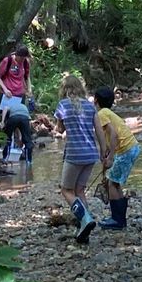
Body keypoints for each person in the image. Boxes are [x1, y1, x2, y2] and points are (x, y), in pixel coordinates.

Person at [55, 72, 104, 242]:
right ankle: (85, 224)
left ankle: (85, 219)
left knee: (66, 190)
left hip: (74, 154)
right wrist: (103, 152)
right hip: (90, 154)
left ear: (65, 89)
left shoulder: (63, 105)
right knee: (80, 190)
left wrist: (61, 126)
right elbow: (99, 131)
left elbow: (60, 130)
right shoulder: (90, 106)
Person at [93, 86, 139, 231]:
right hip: (132, 147)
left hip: (125, 150)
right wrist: (107, 156)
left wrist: (111, 157)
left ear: (95, 100)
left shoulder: (101, 114)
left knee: (112, 184)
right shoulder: (108, 112)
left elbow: (113, 134)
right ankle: (120, 220)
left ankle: (116, 220)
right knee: (116, 183)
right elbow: (109, 138)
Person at [0, 43, 33, 164]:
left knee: (20, 122)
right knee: (6, 122)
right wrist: (5, 89)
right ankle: (3, 151)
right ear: (16, 55)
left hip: (19, 96)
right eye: (20, 58)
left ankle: (19, 150)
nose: (21, 60)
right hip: (7, 96)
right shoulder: (8, 61)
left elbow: (27, 77)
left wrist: (29, 89)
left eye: (23, 58)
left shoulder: (25, 63)